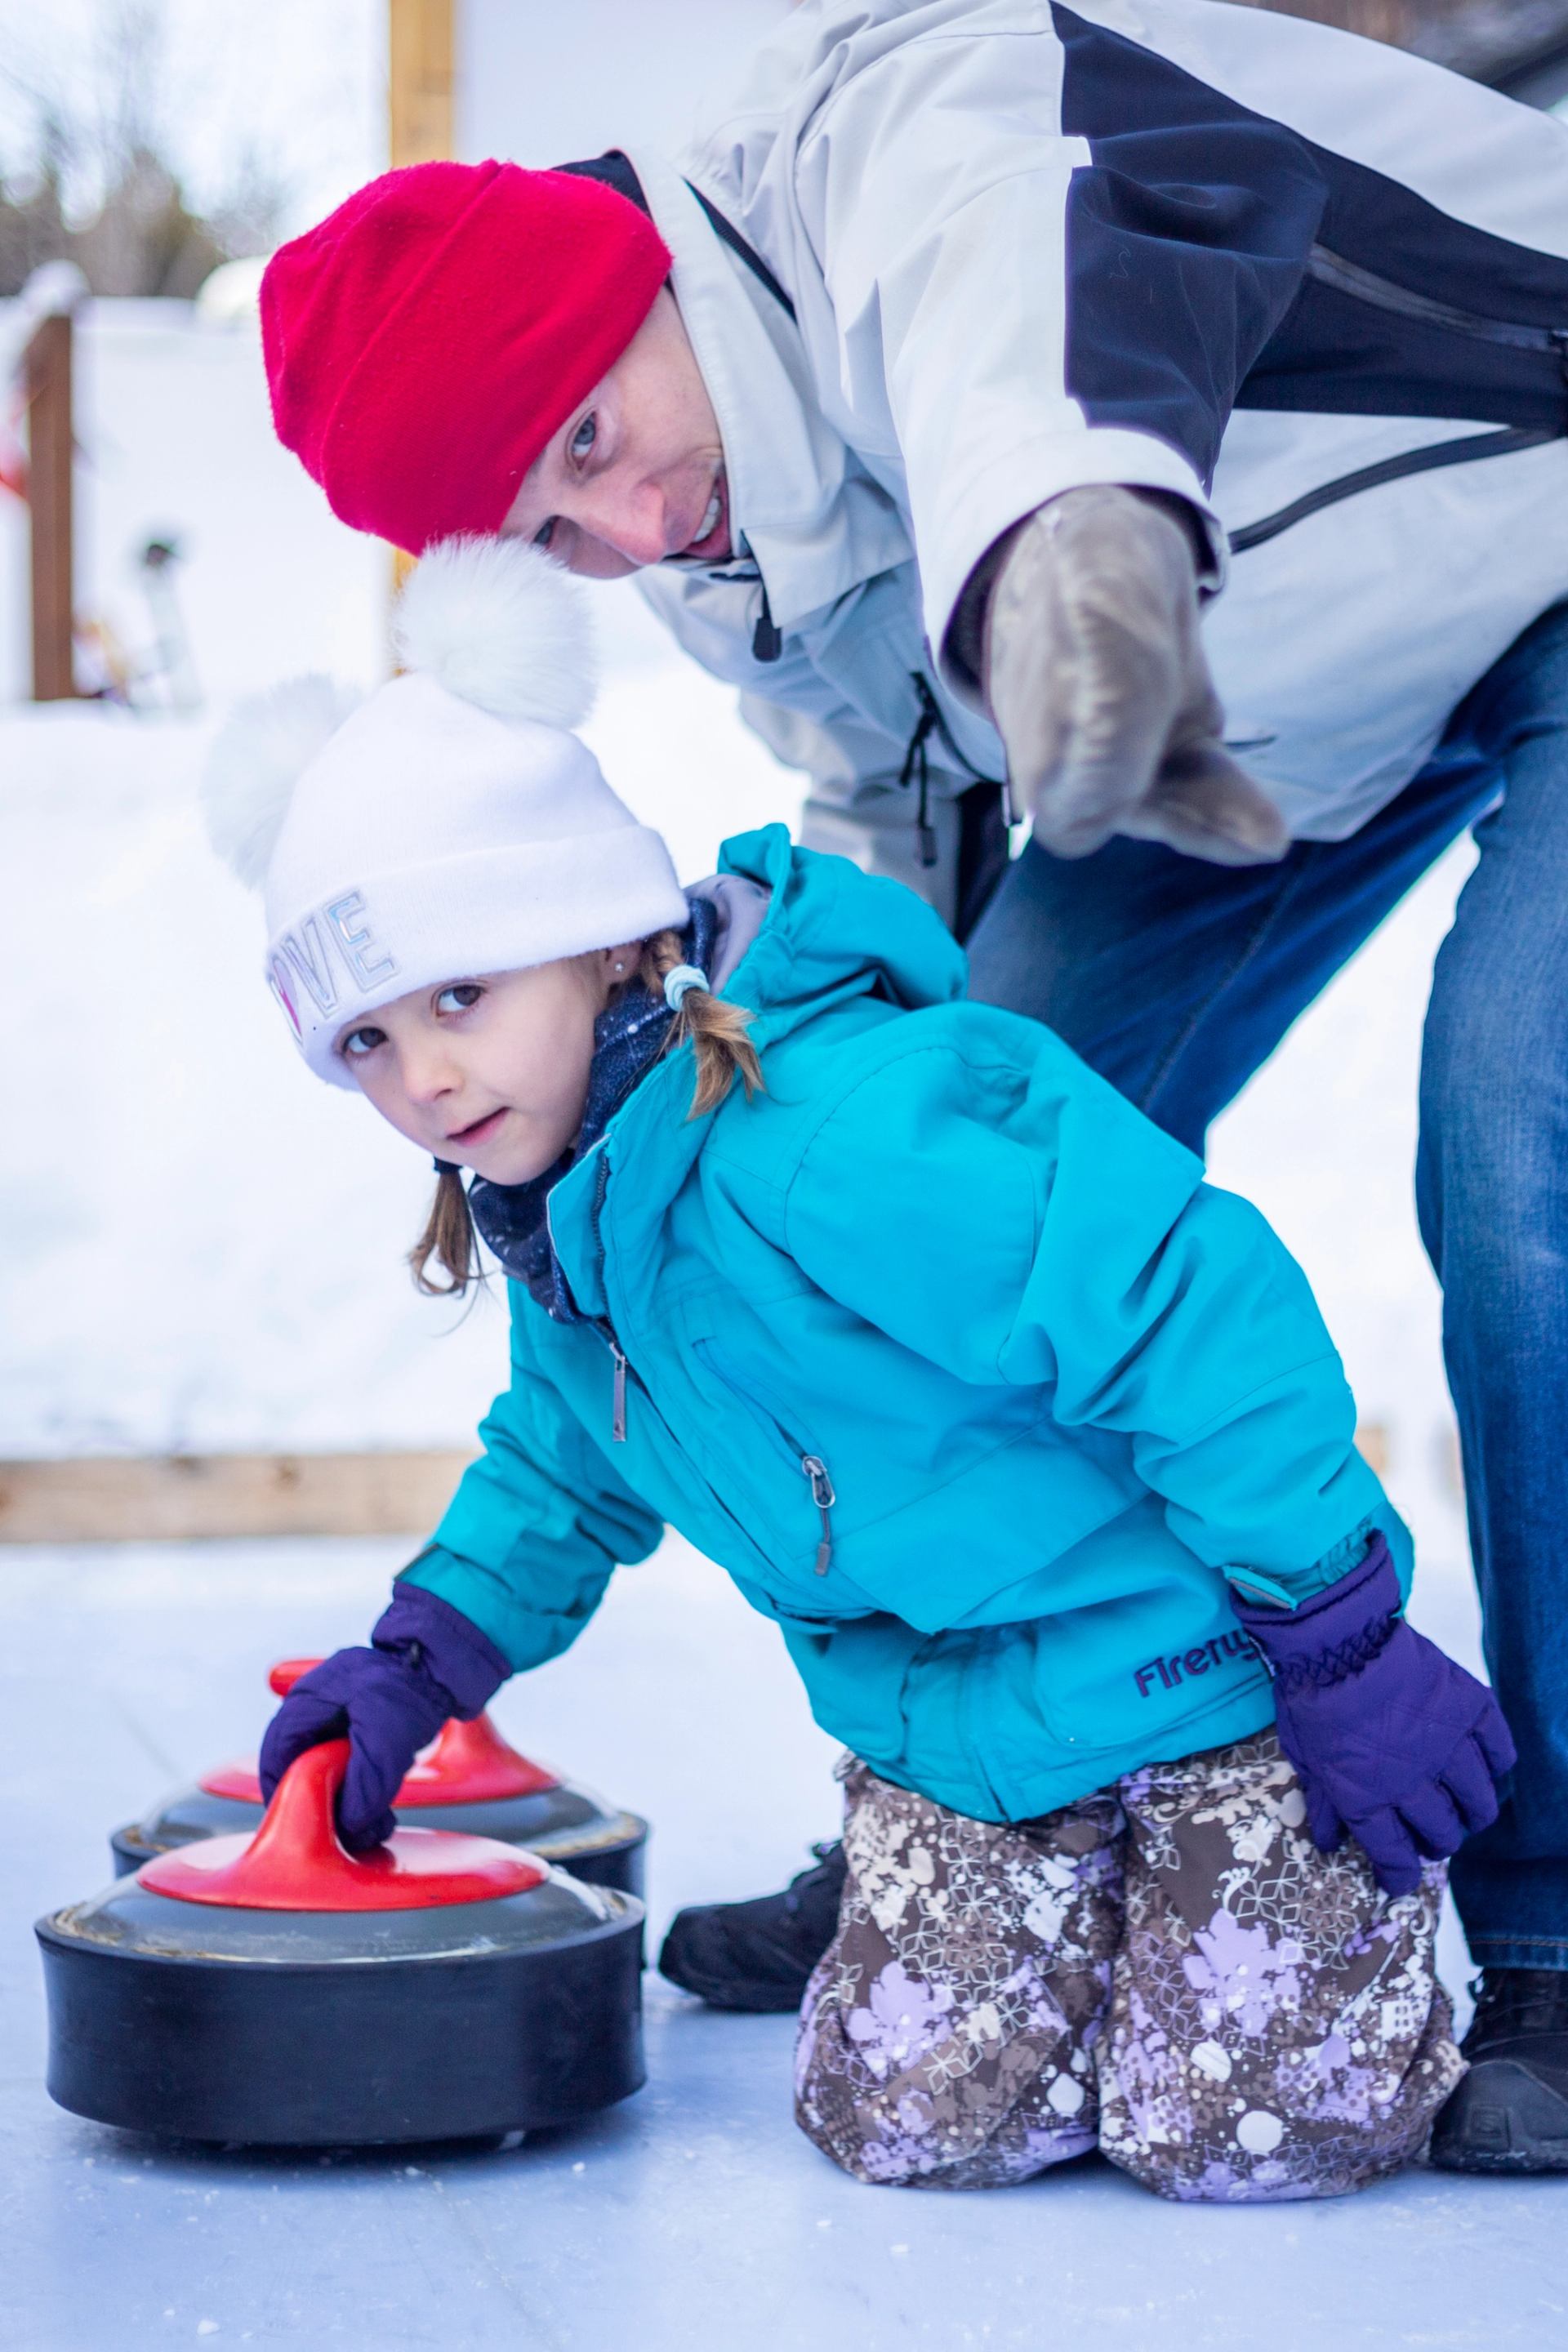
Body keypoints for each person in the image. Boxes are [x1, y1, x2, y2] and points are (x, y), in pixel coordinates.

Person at [256, 0, 1568, 2168]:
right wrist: (781, 1149)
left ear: (631, 278)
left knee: (1523, 1156)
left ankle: (1551, 1925)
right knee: (936, 1148)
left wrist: (1068, 557)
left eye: (594, 437)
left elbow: (1009, 321)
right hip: (1254, 719)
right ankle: (1014, 1784)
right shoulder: (701, 550)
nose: (635, 516)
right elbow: (894, 858)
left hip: (1461, 540)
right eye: (557, 532)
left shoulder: (886, 120)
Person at [203, 535, 1511, 2198]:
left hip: (1216, 1681)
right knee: (915, 2126)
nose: (428, 1077)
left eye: (462, 992)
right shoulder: (569, 1218)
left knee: (1248, 2141)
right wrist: (424, 1658)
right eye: (371, 1039)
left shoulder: (833, 1132)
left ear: (605, 942)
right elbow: (564, 1457)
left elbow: (1189, 1293)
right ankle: (1112, 1950)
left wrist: (1336, 1640)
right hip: (960, 1740)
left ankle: (1282, 1930)